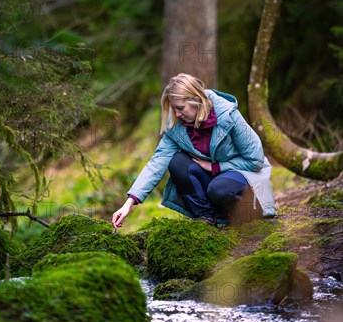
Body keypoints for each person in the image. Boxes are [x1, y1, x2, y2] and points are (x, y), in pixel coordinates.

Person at [112, 73, 275, 229]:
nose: (176, 113)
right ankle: (208, 218)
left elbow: (256, 160)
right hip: (215, 180)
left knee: (219, 188)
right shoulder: (176, 125)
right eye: (174, 109)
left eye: (180, 108)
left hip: (243, 174)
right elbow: (156, 163)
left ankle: (252, 211)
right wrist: (129, 203)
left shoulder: (228, 115)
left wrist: (215, 167)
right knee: (177, 162)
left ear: (196, 100)